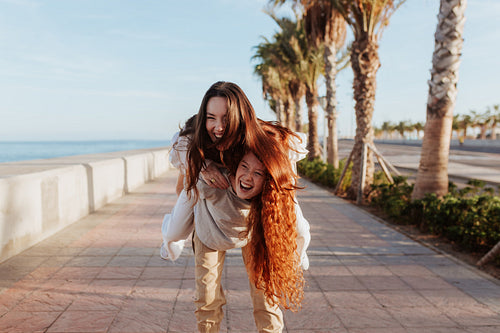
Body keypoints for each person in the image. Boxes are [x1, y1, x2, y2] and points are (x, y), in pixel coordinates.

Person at [164, 81, 309, 332]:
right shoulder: (194, 142)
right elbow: (182, 188)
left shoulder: (262, 142)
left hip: (256, 223)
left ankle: (300, 254)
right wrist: (202, 167)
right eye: (211, 118)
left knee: (266, 297)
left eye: (226, 119)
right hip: (210, 222)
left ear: (240, 118)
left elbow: (288, 194)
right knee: (206, 298)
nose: (218, 127)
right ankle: (169, 239)